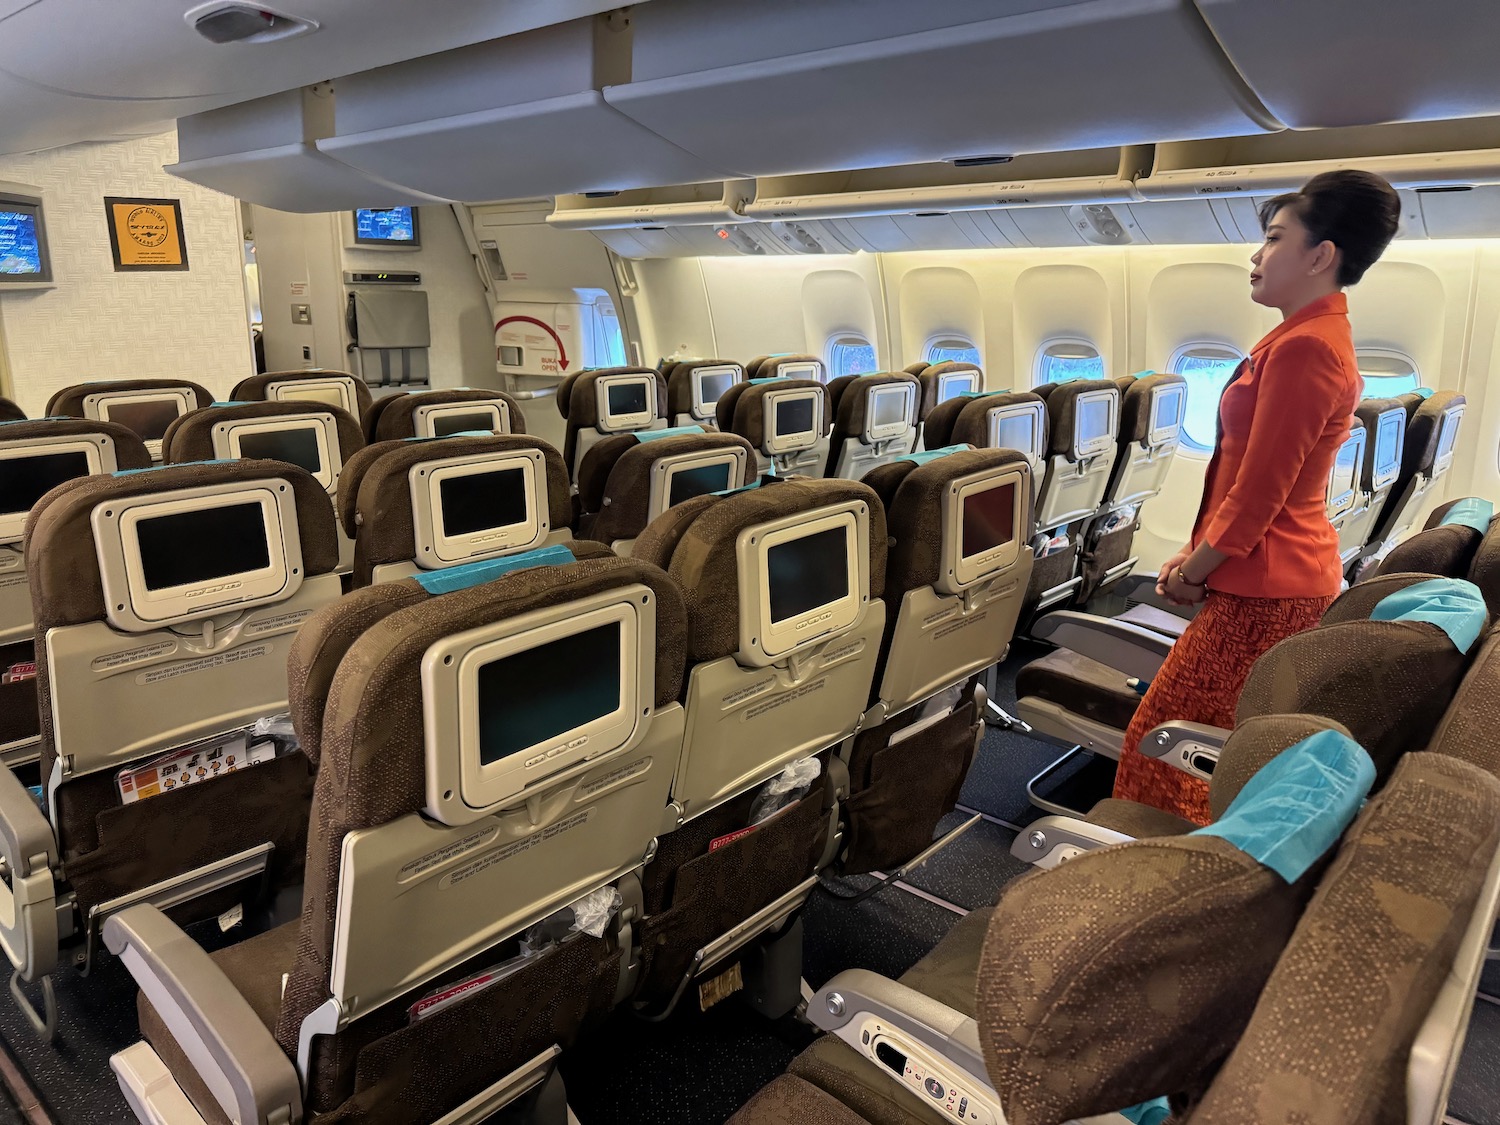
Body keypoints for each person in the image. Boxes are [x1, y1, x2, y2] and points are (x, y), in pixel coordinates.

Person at [1111, 169, 1402, 823]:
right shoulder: (1302, 338)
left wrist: (1193, 568)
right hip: (1260, 579)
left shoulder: (1308, 350)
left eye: (1274, 238)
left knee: (1168, 749)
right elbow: (1240, 473)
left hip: (1268, 592)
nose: (1256, 254)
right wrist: (1192, 555)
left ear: (1321, 255)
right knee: (1186, 747)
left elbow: (1260, 492)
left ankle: (1163, 883)